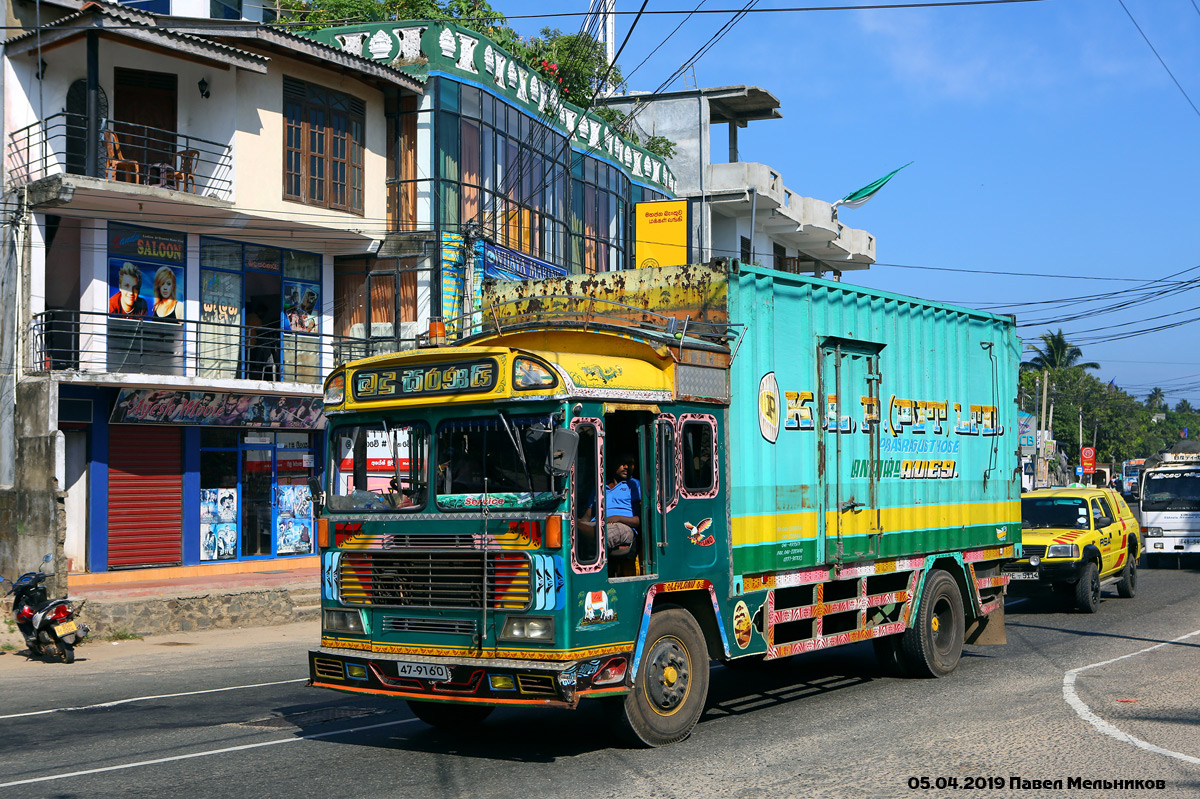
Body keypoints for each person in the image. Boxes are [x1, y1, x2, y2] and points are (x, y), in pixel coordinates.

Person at [578, 457, 641, 557]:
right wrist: (576, 522)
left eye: (630, 464)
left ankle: (585, 534)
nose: (626, 467)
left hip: (622, 526)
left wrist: (617, 518)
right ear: (613, 463)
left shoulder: (635, 485)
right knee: (571, 528)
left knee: (601, 534)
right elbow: (587, 517)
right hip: (597, 523)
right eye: (622, 462)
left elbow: (638, 521)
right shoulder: (600, 486)